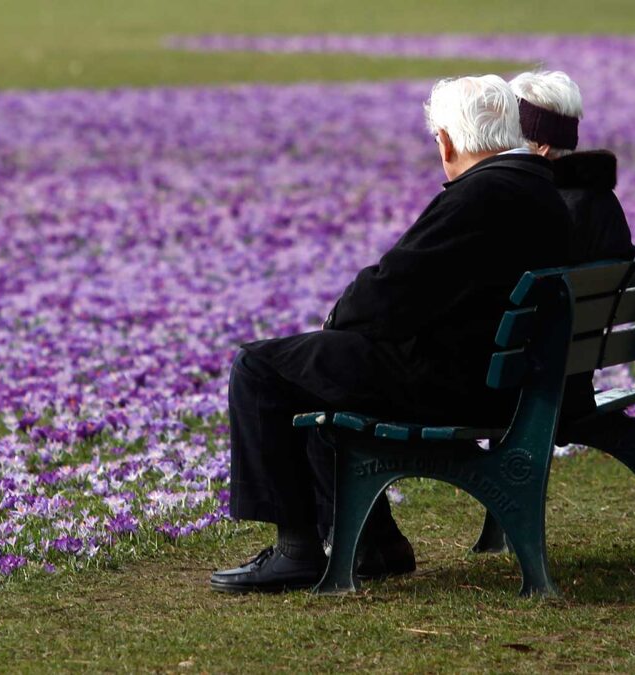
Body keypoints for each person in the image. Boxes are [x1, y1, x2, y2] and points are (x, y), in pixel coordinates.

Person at [211, 75, 574, 594]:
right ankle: (373, 542)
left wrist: (336, 320)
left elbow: (392, 289)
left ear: (446, 141)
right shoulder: (536, 188)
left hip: (463, 385)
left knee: (260, 367)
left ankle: (297, 549)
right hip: (502, 375)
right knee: (318, 367)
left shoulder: (483, 194)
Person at [509, 71, 635, 422]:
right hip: (573, 383)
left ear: (541, 147)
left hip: (525, 389)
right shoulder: (602, 201)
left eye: (507, 133)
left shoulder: (539, 208)